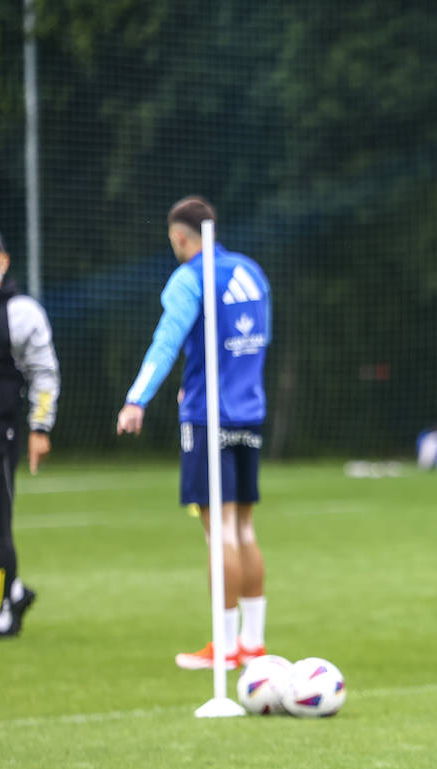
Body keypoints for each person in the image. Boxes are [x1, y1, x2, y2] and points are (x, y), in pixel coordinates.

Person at [116, 197, 273, 669]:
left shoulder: (189, 278)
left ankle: (223, 649)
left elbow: (166, 341)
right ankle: (253, 643)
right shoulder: (250, 270)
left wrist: (136, 399)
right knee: (243, 526)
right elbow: (258, 341)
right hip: (249, 412)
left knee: (217, 530)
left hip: (209, 418)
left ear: (181, 237)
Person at [0, 226, 58, 639]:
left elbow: (44, 374)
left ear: (5, 260)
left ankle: (0, 614)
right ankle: (13, 591)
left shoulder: (20, 312)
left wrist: (40, 427)